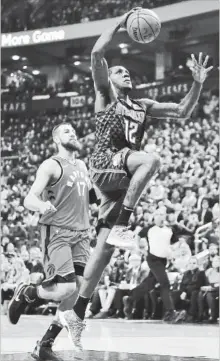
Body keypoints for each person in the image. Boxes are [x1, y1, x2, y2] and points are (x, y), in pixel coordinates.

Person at [60, 8, 213, 350]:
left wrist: (197, 84)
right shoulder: (104, 95)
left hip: (123, 176)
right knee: (153, 157)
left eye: (128, 72)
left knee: (102, 258)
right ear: (109, 78)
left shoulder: (142, 104)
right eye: (120, 72)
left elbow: (182, 111)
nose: (125, 74)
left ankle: (75, 317)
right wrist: (121, 23)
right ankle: (123, 224)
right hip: (104, 164)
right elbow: (97, 53)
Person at [8, 123, 99, 360]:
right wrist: (41, 205)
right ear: (56, 139)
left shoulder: (81, 165)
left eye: (74, 131)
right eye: (67, 131)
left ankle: (45, 345)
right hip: (57, 232)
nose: (74, 133)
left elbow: (91, 196)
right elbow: (29, 198)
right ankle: (29, 291)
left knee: (77, 292)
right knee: (66, 288)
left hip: (81, 234)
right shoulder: (51, 165)